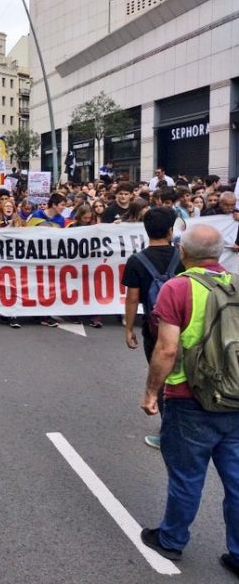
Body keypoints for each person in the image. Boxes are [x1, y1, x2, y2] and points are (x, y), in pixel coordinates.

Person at [139, 224, 239, 575]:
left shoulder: (178, 287)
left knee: (186, 476)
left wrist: (152, 391)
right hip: (236, 395)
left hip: (189, 396)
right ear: (221, 252)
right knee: (237, 479)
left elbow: (167, 349)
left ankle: (172, 539)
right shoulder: (237, 282)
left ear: (183, 253)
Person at [123, 207, 181, 449]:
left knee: (162, 377)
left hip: (155, 328)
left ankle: (168, 432)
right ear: (170, 230)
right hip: (185, 326)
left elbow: (132, 298)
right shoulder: (183, 256)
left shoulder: (137, 261)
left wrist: (128, 328)